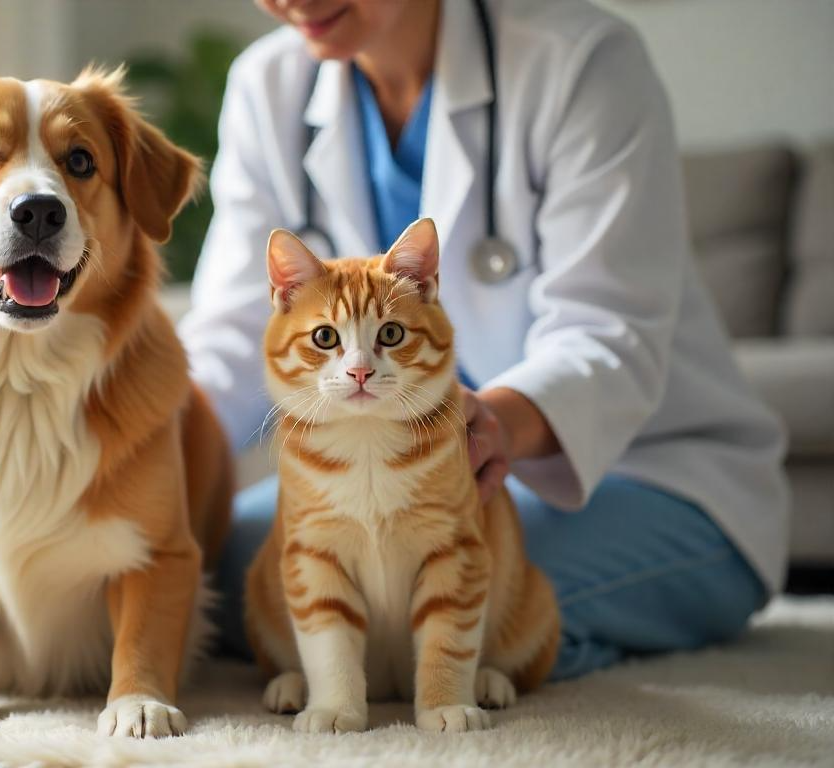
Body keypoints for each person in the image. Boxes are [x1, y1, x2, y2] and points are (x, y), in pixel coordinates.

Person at [180, 0, 788, 680]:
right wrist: (134, 441)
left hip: (648, 468)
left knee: (466, 601)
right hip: (400, 462)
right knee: (230, 565)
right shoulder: (269, 86)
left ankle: (523, 667)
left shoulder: (580, 62)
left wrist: (488, 424)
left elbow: (607, 332)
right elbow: (236, 330)